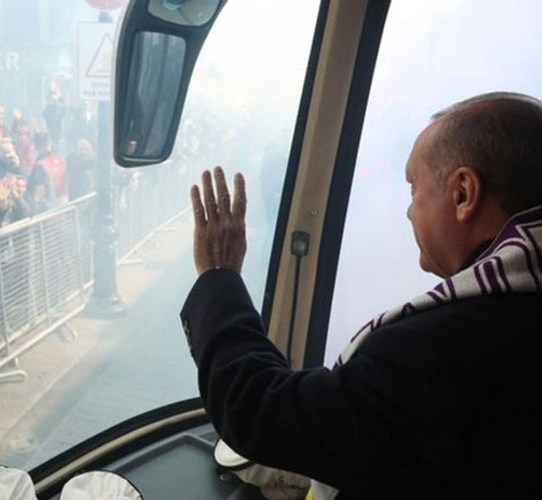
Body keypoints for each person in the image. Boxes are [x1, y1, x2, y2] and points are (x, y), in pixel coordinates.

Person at [180, 92, 542, 499]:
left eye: (413, 187)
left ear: (462, 194)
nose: (408, 211)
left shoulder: (431, 355)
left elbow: (258, 409)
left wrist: (218, 274)